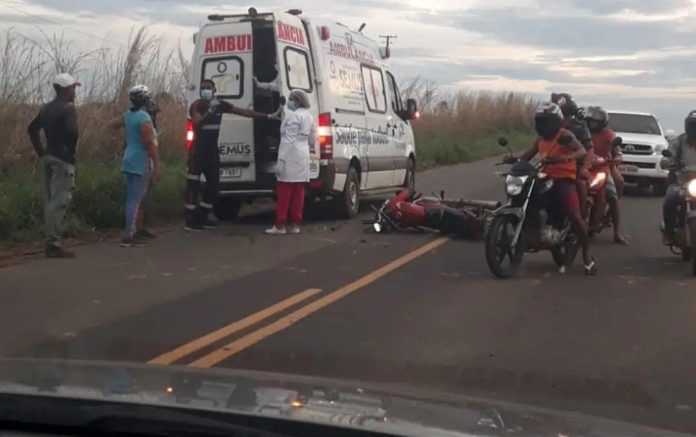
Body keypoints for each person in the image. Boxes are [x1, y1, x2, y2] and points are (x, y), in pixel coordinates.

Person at [185, 79, 278, 231]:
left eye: (208, 88)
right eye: (203, 88)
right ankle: (190, 220)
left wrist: (267, 116)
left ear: (214, 89)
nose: (205, 90)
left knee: (214, 186)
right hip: (198, 151)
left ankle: (202, 216)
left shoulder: (221, 105)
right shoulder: (197, 105)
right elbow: (197, 123)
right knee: (193, 186)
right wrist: (210, 111)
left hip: (212, 151)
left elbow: (243, 111)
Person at [515, 102, 597, 275]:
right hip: (544, 177)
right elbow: (528, 154)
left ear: (556, 121)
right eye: (540, 121)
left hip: (564, 179)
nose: (543, 125)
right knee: (526, 197)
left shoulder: (565, 135)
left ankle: (587, 255)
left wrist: (565, 158)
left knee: (574, 214)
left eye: (547, 121)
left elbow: (581, 151)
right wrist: (515, 161)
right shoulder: (541, 139)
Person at [27, 73, 81, 258]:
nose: (75, 91)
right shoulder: (68, 109)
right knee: (60, 201)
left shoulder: (46, 109)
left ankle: (51, 240)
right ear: (66, 89)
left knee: (51, 200)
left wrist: (41, 151)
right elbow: (73, 133)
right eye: (73, 88)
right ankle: (53, 244)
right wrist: (71, 155)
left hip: (50, 157)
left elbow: (32, 128)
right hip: (63, 160)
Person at [109, 85, 160, 247]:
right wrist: (157, 165)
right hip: (141, 160)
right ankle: (129, 234)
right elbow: (149, 143)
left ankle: (137, 228)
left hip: (129, 157)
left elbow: (112, 124)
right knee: (136, 199)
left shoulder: (128, 115)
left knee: (136, 197)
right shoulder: (144, 118)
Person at [265, 90, 316, 235]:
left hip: (290, 155)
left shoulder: (294, 116)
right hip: (302, 154)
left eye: (291, 99)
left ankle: (280, 225)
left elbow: (289, 139)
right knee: (298, 191)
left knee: (284, 191)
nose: (289, 102)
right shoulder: (309, 116)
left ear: (297, 101)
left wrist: (281, 159)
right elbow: (312, 139)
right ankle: (295, 225)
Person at [585, 106, 629, 245]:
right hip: (584, 168)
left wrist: (617, 158)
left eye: (595, 122)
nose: (593, 124)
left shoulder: (609, 135)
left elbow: (617, 150)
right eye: (591, 121)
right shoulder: (582, 132)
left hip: (604, 168)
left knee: (614, 195)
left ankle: (617, 234)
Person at [551, 93, 594, 218]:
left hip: (574, 167)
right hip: (552, 166)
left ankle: (580, 216)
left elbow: (589, 150)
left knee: (580, 182)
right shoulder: (549, 126)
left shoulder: (579, 127)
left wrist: (584, 168)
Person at [661, 110, 696, 245]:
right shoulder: (679, 141)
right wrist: (666, 161)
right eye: (693, 126)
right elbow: (669, 155)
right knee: (670, 199)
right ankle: (669, 231)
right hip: (680, 182)